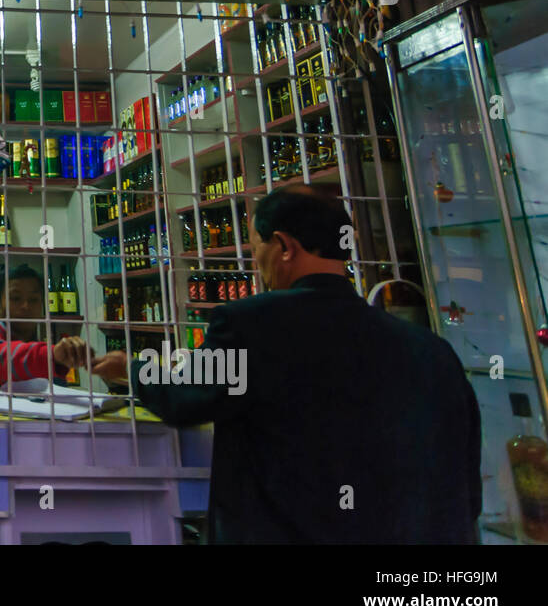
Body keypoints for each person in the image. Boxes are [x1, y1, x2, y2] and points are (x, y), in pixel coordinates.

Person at [90, 187, 482, 544]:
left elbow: (187, 397)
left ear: (283, 246)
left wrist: (134, 368)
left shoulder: (251, 325)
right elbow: (466, 481)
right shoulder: (432, 350)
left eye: (256, 247)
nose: (256, 260)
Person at [0, 264, 90, 392]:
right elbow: (1, 359)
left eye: (33, 299)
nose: (26, 306)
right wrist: (51, 355)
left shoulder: (49, 356)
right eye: (15, 298)